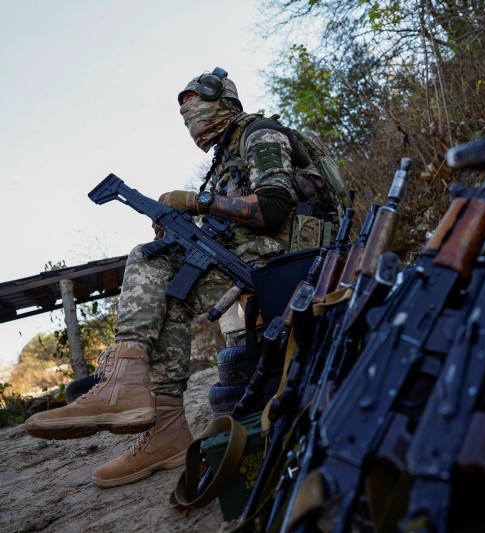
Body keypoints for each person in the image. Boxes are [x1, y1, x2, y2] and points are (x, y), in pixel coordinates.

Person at [25, 67, 333, 488]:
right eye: (185, 118)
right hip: (263, 252)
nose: (192, 123)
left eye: (198, 111)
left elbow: (272, 208)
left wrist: (197, 201)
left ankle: (125, 381)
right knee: (169, 282)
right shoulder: (225, 157)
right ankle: (165, 428)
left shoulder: (259, 134)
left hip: (292, 257)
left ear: (224, 104)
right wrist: (183, 225)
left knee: (149, 259)